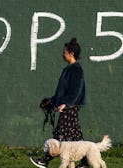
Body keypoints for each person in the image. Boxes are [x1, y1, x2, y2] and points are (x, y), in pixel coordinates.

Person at [30, 38, 89, 168]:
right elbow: (62, 91)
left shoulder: (76, 70)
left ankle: (45, 160)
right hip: (67, 106)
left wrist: (66, 103)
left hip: (70, 107)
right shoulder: (68, 69)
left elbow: (76, 90)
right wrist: (53, 100)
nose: (63, 54)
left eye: (64, 52)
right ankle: (85, 161)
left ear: (71, 53)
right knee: (76, 134)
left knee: (59, 134)